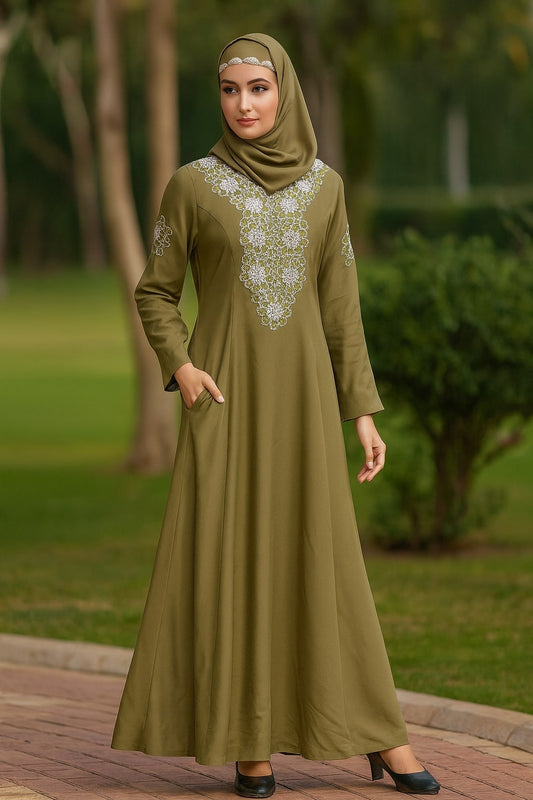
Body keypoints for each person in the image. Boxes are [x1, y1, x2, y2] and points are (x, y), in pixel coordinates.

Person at [111, 32, 440, 798]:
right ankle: (248, 740)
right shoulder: (191, 186)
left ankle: (380, 733)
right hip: (222, 402)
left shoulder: (325, 188)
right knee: (232, 561)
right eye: (229, 90)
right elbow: (155, 290)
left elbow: (340, 308)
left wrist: (361, 412)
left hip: (304, 405)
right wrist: (181, 365)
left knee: (325, 561)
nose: (244, 104)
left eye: (257, 88)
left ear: (284, 91)